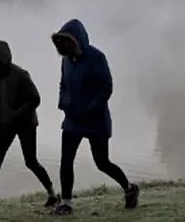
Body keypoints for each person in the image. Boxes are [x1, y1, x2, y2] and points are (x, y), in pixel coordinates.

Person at [49, 18, 139, 216]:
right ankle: (66, 202)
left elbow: (106, 87)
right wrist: (64, 103)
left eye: (65, 41)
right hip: (72, 120)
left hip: (95, 121)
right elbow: (63, 85)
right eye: (59, 42)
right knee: (66, 161)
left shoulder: (96, 57)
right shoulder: (66, 61)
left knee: (102, 163)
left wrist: (90, 109)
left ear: (75, 40)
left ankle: (129, 188)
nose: (61, 46)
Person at [0, 40, 59, 215]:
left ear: (3, 58)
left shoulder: (21, 75)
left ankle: (53, 195)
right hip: (4, 126)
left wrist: (18, 113)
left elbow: (35, 99)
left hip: (26, 125)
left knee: (31, 162)